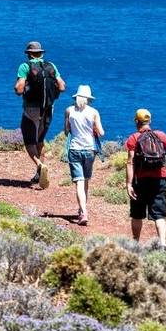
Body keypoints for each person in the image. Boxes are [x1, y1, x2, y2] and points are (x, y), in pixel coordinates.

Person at [15, 40, 65, 189]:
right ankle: (40, 174)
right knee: (40, 140)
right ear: (41, 53)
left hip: (31, 109)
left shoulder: (25, 66)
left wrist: (18, 87)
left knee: (29, 141)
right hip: (48, 108)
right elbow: (62, 86)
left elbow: (19, 89)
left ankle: (40, 165)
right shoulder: (51, 66)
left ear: (29, 54)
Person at [124, 108, 166, 249]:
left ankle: (135, 243)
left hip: (139, 181)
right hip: (159, 179)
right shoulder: (161, 136)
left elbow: (130, 162)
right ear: (150, 121)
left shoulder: (133, 138)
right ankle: (163, 245)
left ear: (136, 121)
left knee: (137, 214)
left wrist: (129, 184)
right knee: (159, 215)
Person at [63, 84, 104, 225]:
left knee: (79, 182)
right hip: (89, 149)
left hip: (74, 149)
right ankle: (83, 210)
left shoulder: (69, 110)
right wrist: (92, 127)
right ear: (88, 99)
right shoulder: (94, 112)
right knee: (86, 181)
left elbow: (66, 131)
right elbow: (101, 132)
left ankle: (83, 212)